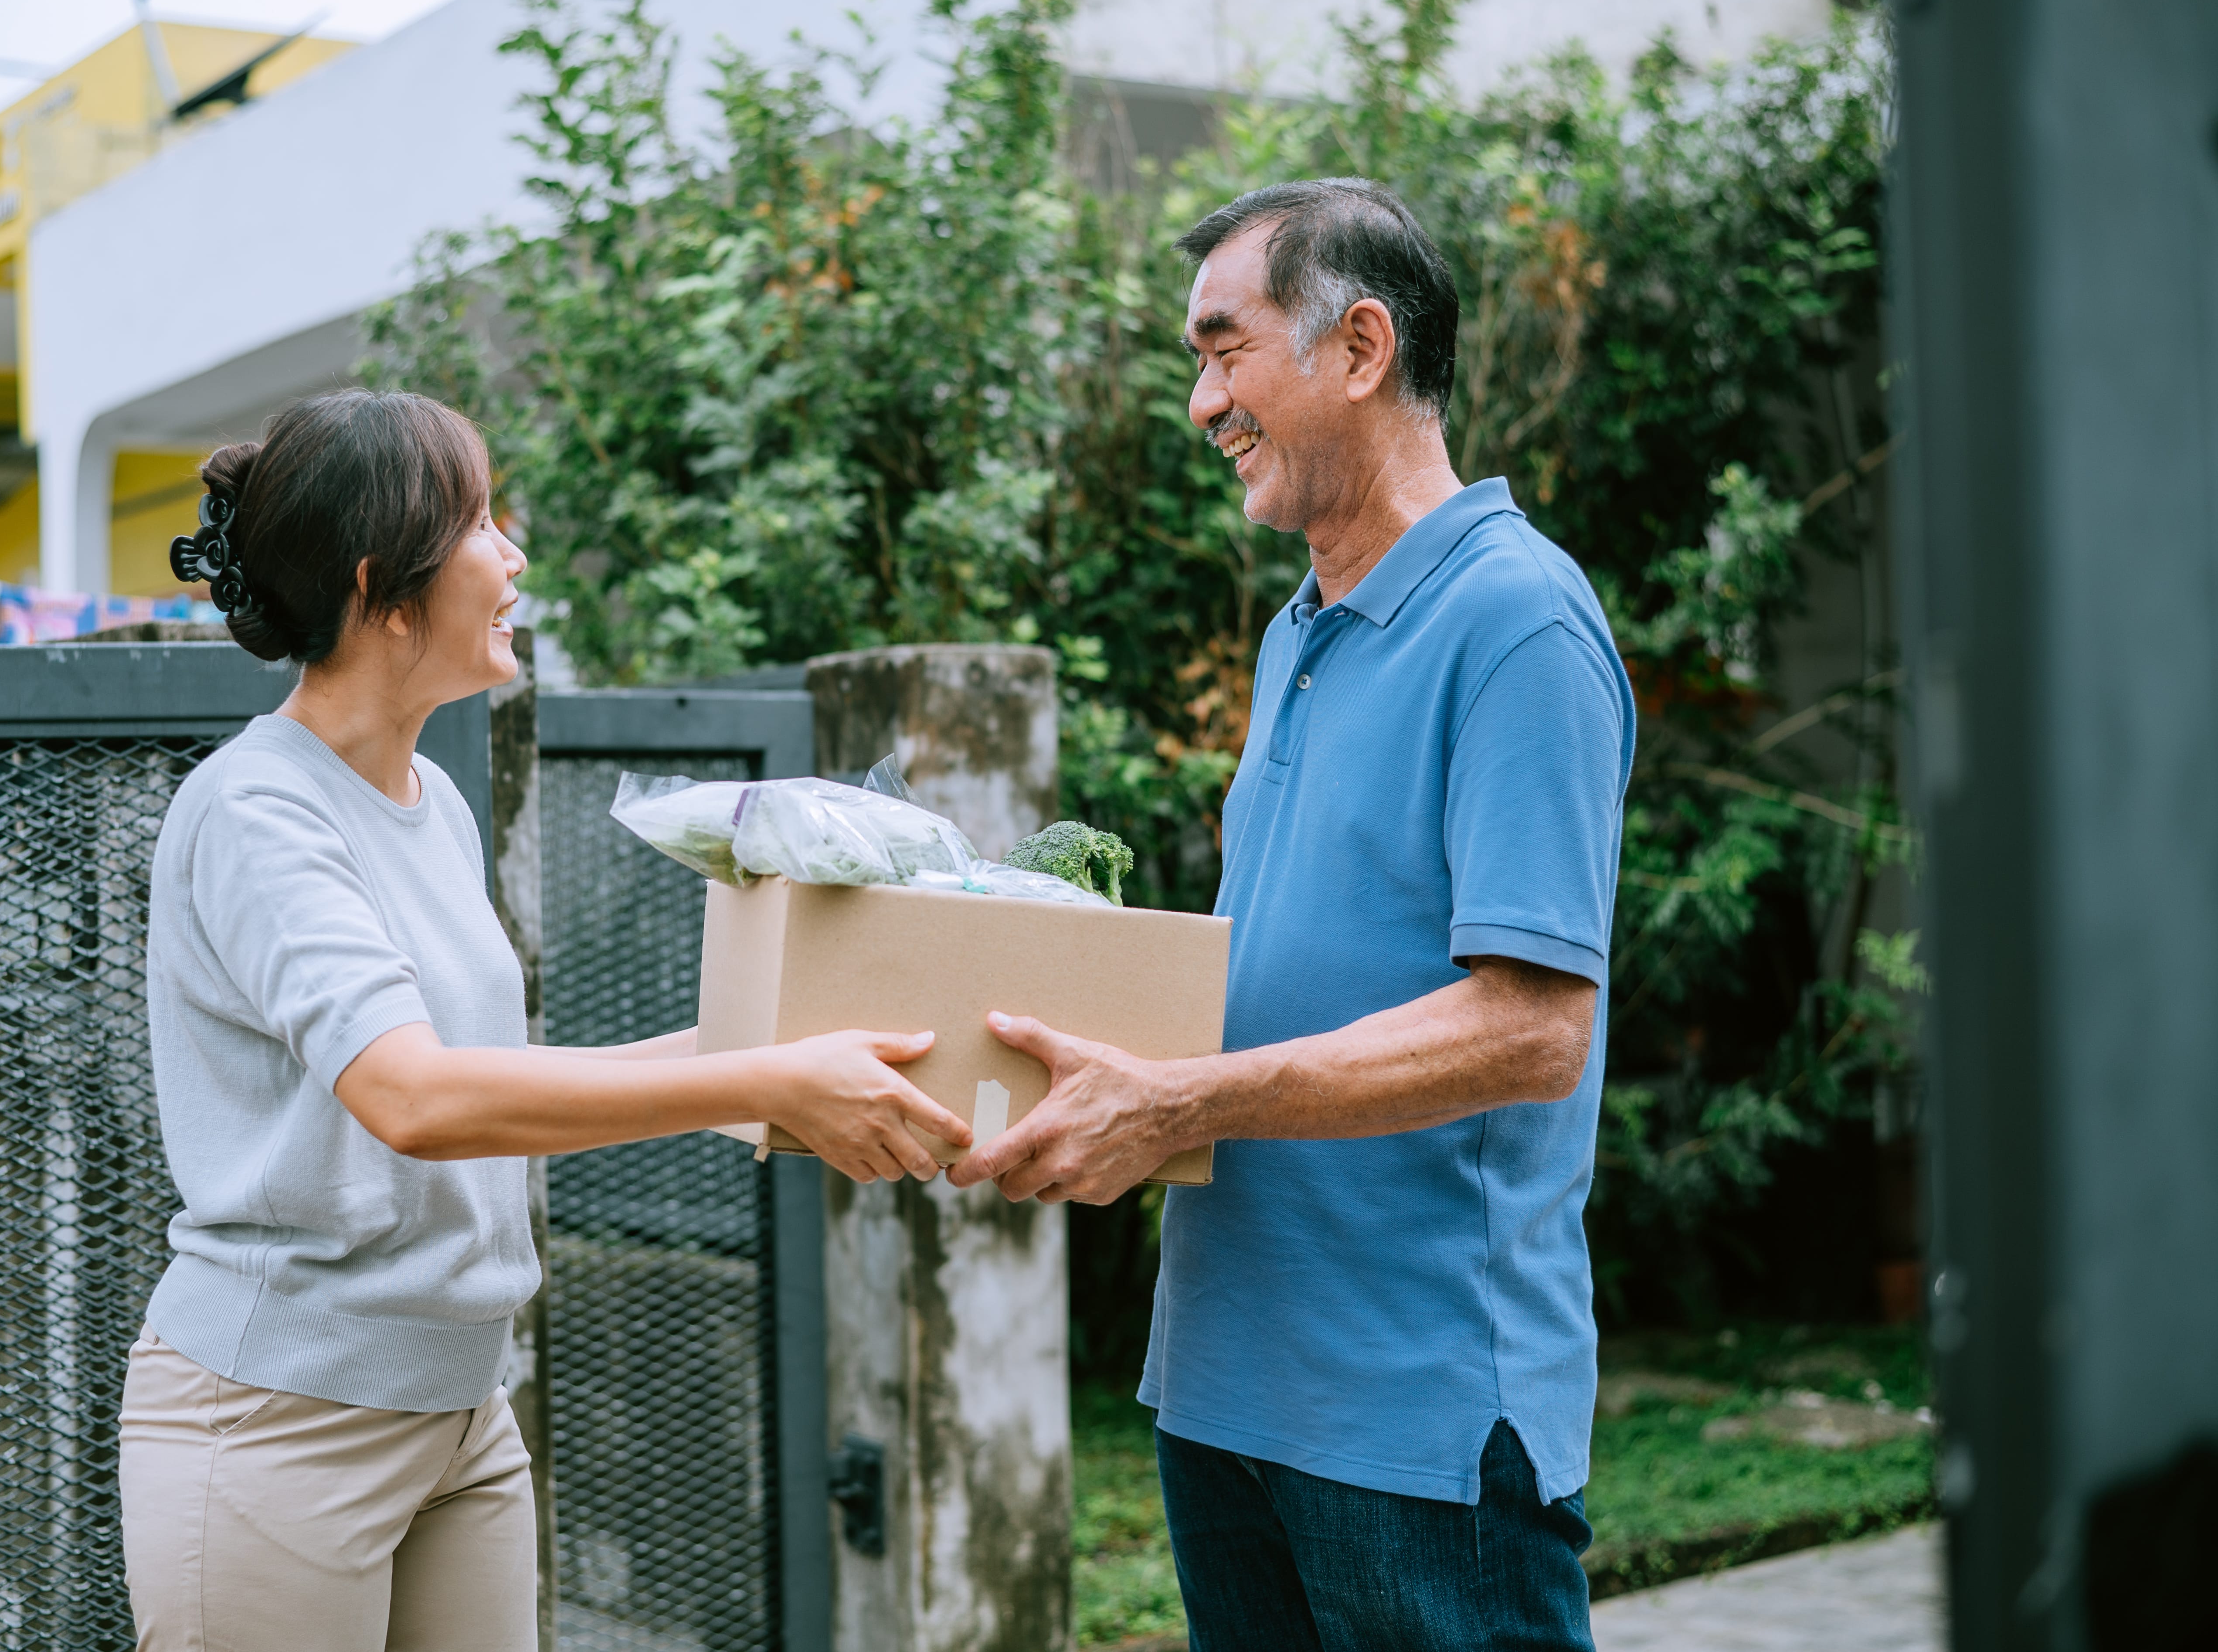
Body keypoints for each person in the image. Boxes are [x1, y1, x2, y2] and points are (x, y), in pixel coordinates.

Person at [119, 388, 972, 1652]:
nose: (513, 558)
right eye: (479, 522)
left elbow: (494, 1090)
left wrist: (799, 1048)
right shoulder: (256, 812)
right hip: (279, 1419)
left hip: (464, 1417)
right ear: (381, 582)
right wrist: (771, 1084)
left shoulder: (431, 805)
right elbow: (415, 1100)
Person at [949, 180, 1635, 1651]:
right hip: (1227, 1385)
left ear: (1361, 346)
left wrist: (1184, 1096)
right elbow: (1294, 960)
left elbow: (1531, 1030)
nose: (1203, 402)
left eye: (1224, 351)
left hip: (1419, 1418)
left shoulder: (1520, 621)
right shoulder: (1298, 632)